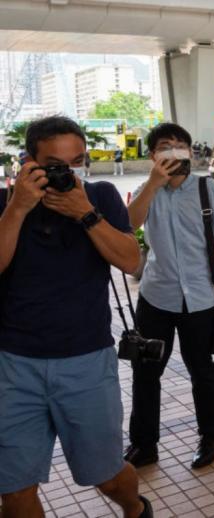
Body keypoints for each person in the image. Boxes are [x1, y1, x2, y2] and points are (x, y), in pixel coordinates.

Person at [0, 116, 152, 517]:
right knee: (14, 491)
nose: (65, 174)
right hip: (13, 364)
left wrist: (85, 213)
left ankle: (135, 508)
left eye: (76, 162)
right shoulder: (5, 203)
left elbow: (130, 260)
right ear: (28, 162)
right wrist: (16, 209)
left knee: (107, 477)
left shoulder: (100, 196)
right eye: (53, 165)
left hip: (86, 359)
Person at [123, 123, 214, 470]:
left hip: (200, 299)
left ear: (190, 152)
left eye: (180, 146)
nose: (175, 151)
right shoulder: (144, 190)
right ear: (153, 155)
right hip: (156, 296)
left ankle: (210, 437)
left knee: (202, 370)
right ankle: (144, 444)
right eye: (166, 146)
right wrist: (153, 183)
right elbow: (128, 226)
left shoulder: (207, 188)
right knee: (146, 371)